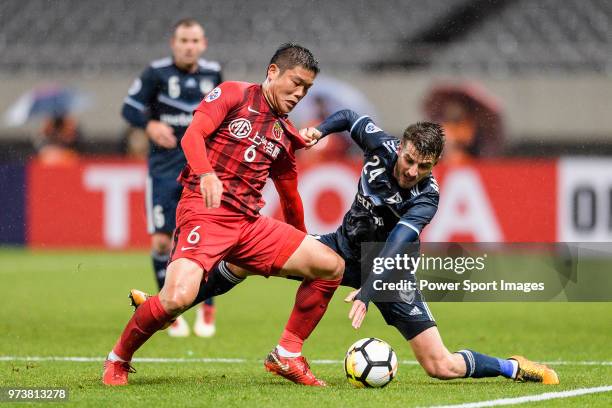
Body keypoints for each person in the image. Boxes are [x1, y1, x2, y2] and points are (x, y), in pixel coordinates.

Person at [180, 110, 560, 385]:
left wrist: (368, 290)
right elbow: (347, 116)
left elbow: (395, 245)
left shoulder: (427, 197)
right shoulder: (380, 144)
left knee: (440, 366)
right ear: (402, 147)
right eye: (409, 160)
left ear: (434, 166)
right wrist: (320, 131)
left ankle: (513, 367)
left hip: (391, 275)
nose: (412, 171)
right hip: (340, 250)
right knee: (247, 260)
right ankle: (171, 304)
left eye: (423, 167)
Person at [103, 43, 344, 387]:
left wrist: (301, 238)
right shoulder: (233, 94)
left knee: (329, 265)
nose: (300, 93)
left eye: (307, 88)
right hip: (205, 211)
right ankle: (118, 359)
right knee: (177, 298)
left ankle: (288, 355)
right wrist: (206, 174)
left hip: (249, 225)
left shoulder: (284, 132)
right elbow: (192, 136)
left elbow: (290, 196)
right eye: (296, 82)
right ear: (273, 72)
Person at [121, 18, 223, 337]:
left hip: (202, 169)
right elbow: (129, 108)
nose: (189, 46)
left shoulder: (213, 74)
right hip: (164, 170)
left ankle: (207, 307)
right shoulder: (156, 73)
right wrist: (149, 125)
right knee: (163, 241)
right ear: (173, 43)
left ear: (203, 44)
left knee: (209, 239)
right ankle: (169, 313)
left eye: (194, 41)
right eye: (183, 40)